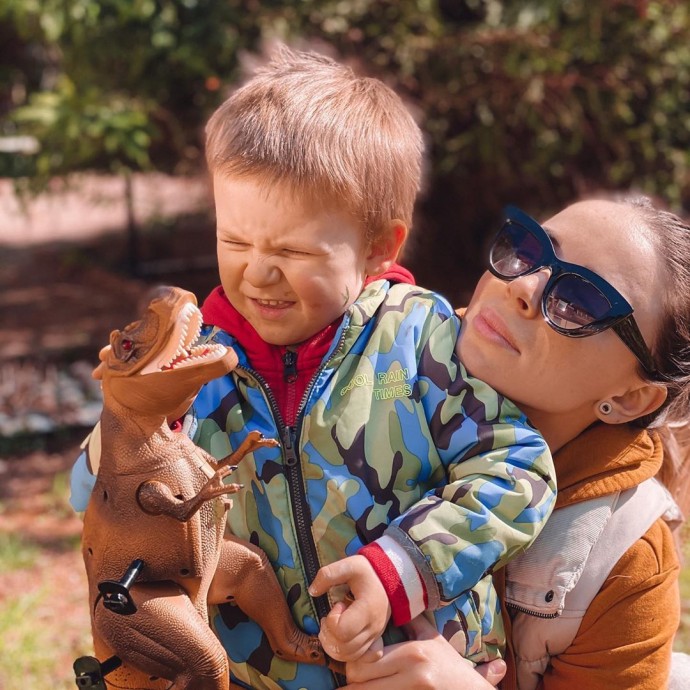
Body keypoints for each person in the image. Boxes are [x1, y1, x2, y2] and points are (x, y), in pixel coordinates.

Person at [70, 46, 556, 689]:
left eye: (292, 249)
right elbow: (92, 494)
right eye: (235, 241)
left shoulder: (418, 338)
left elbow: (518, 469)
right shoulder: (194, 367)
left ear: (380, 246)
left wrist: (401, 571)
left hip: (414, 669)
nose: (258, 271)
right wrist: (127, 418)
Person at [340, 196, 690, 690]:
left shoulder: (625, 562)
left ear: (630, 397)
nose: (522, 286)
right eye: (528, 250)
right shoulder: (354, 346)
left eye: (579, 301)